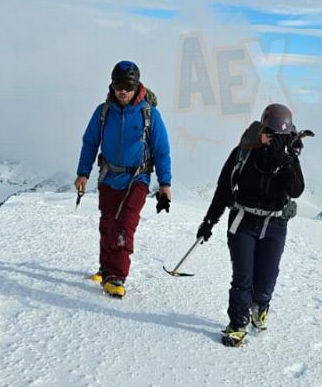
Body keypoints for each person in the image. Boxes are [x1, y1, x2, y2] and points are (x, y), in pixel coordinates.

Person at [196, 102, 305, 346]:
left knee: (266, 280)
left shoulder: (288, 158)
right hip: (243, 221)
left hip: (275, 226)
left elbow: (296, 190)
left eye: (280, 137)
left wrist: (285, 159)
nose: (273, 140)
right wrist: (209, 221)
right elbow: (224, 189)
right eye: (270, 135)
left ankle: (260, 307)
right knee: (243, 277)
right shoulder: (244, 152)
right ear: (261, 129)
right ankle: (237, 324)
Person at [75, 60, 172, 298]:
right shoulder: (103, 112)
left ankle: (117, 276)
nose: (123, 92)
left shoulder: (150, 114)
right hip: (108, 176)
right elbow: (90, 143)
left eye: (128, 87)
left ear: (136, 86)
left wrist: (165, 184)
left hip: (137, 178)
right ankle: (105, 267)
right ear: (112, 86)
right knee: (108, 222)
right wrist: (83, 173)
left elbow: (161, 150)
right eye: (119, 86)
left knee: (125, 225)